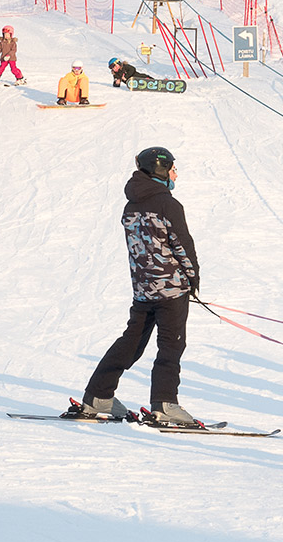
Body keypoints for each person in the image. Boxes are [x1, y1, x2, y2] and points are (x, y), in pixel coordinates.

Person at [78, 147, 201, 425]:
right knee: (171, 345)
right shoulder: (169, 205)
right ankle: (165, 403)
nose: (175, 174)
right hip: (171, 290)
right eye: (172, 169)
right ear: (160, 170)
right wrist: (192, 279)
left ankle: (98, 396)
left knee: (131, 341)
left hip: (144, 289)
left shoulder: (131, 204)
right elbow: (182, 246)